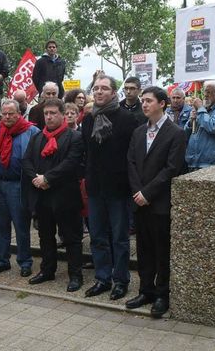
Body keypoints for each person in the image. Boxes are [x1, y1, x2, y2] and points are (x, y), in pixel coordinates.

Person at [125, 87, 186, 318]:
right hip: (139, 201)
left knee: (162, 250)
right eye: (143, 101)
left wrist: (148, 193)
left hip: (159, 202)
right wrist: (137, 192)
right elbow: (130, 162)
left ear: (162, 103)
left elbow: (172, 168)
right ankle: (145, 290)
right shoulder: (139, 131)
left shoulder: (176, 133)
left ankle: (162, 294)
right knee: (144, 249)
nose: (144, 104)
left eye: (149, 100)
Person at [81, 75, 138, 300]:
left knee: (120, 238)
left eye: (104, 89)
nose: (99, 92)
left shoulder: (127, 118)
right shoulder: (88, 119)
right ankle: (102, 278)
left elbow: (132, 155)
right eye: (96, 88)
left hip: (119, 189)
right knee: (97, 236)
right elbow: (87, 152)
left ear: (114, 93)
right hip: (95, 189)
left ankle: (120, 280)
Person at [22, 98, 84, 292]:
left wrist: (47, 178)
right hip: (42, 196)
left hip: (65, 196)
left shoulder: (74, 137)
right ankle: (47, 270)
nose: (48, 117)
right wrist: (36, 179)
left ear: (62, 114)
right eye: (46, 114)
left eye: (53, 113)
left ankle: (75, 275)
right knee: (45, 235)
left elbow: (70, 163)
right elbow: (27, 161)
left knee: (72, 238)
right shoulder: (37, 137)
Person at [0, 100, 39, 277]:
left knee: (21, 225)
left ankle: (25, 261)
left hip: (19, 186)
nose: (7, 117)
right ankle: (2, 261)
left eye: (11, 113)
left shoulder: (31, 131)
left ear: (19, 113)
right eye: (4, 113)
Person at [184, 80, 215, 171]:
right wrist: (191, 121)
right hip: (192, 162)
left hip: (209, 164)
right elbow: (186, 133)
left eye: (209, 92)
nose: (205, 94)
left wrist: (201, 109)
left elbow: (213, 127)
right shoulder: (202, 110)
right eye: (204, 91)